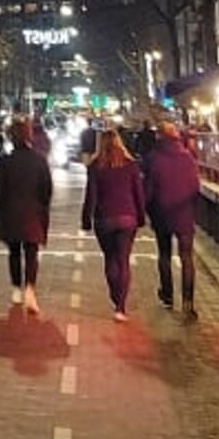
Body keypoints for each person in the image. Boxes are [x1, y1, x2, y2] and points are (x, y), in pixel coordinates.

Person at [81, 128, 145, 322]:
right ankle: (121, 306)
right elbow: (138, 194)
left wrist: (86, 218)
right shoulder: (131, 165)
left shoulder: (95, 166)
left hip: (105, 219)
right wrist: (141, 216)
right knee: (123, 260)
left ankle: (115, 295)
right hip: (128, 217)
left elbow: (91, 195)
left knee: (110, 259)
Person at [0, 116, 52, 315]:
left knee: (14, 252)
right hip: (33, 213)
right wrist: (41, 207)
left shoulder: (5, 162)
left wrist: (2, 209)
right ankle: (30, 288)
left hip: (11, 213)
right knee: (31, 252)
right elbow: (46, 190)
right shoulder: (39, 161)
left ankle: (16, 288)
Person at [143, 121, 202, 319]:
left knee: (164, 254)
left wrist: (147, 209)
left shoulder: (153, 158)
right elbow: (195, 186)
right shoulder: (187, 157)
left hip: (162, 213)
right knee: (187, 257)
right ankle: (188, 302)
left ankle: (167, 294)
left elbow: (148, 189)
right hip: (184, 214)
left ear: (159, 136)